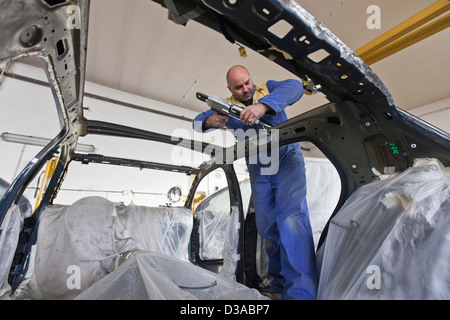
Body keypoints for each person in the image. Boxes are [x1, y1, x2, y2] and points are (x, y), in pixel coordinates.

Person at [193, 65, 317, 300]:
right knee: (268, 226)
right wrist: (211, 120)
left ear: (252, 79)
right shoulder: (228, 108)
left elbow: (295, 86)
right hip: (259, 168)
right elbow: (197, 122)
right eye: (238, 87)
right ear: (230, 89)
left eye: (247, 82)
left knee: (291, 221)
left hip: (286, 159)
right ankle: (278, 285)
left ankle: (301, 294)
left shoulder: (267, 88)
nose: (245, 89)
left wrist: (262, 107)